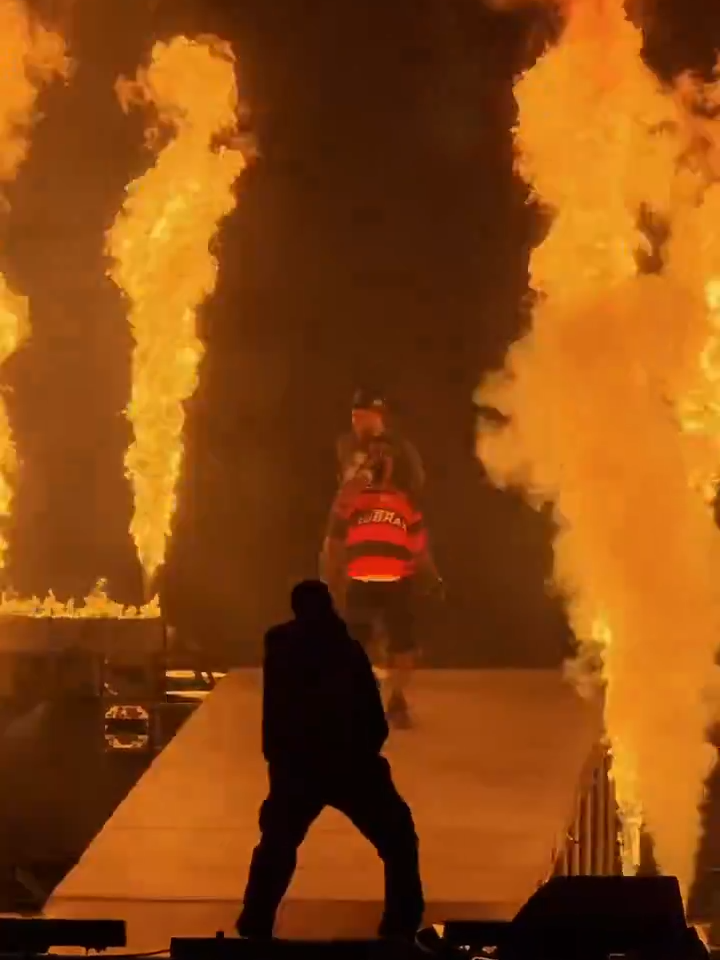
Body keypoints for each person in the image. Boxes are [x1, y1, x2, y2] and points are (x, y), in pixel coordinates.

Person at [235, 580, 424, 942]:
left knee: (277, 845)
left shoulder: (280, 647)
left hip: (299, 767)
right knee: (398, 839)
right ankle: (402, 923)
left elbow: (275, 714)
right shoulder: (346, 648)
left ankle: (255, 922)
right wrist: (368, 749)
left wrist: (279, 760)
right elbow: (370, 711)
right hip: (349, 763)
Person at [321, 451, 442, 729]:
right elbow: (335, 540)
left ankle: (397, 701)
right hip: (360, 579)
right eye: (376, 459)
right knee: (356, 644)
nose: (380, 462)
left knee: (403, 645)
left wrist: (432, 578)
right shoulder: (352, 500)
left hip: (398, 581)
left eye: (385, 460)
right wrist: (333, 577)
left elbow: (419, 548)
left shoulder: (405, 503)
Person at [336, 389, 425, 502]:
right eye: (355, 416)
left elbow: (416, 481)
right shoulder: (346, 444)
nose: (357, 422)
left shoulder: (399, 446)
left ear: (378, 417)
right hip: (355, 510)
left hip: (389, 508)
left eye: (364, 416)